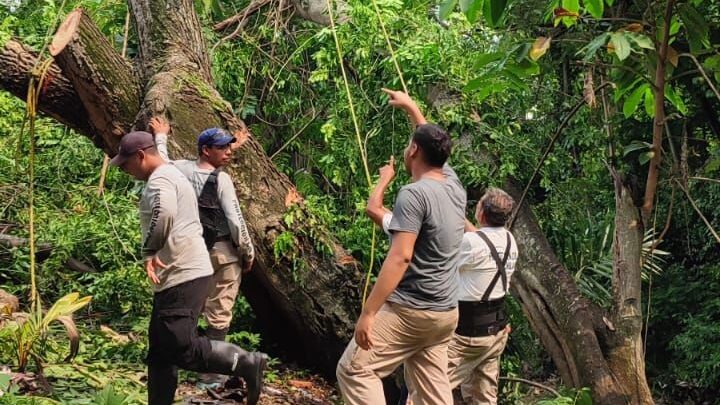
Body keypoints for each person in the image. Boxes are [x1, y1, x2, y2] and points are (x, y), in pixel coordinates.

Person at [110, 131, 267, 405]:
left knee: (181, 346)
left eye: (126, 164)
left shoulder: (160, 178)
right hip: (177, 273)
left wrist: (150, 249)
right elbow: (169, 162)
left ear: (140, 156)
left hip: (184, 272)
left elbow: (165, 213)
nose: (125, 169)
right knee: (160, 351)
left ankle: (245, 363)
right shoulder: (171, 171)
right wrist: (161, 137)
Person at [336, 89, 467, 405]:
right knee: (433, 391)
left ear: (413, 151)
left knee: (354, 370)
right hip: (446, 313)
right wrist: (413, 109)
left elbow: (401, 255)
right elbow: (431, 143)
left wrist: (369, 312)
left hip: (413, 310)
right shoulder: (454, 185)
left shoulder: (414, 193)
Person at [148, 117, 255, 387]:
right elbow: (235, 219)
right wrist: (248, 252)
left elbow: (163, 162)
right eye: (223, 148)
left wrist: (161, 136)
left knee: (192, 311)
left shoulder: (180, 170)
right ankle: (210, 376)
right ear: (206, 150)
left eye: (230, 148)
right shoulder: (223, 180)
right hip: (223, 252)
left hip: (194, 253)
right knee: (219, 312)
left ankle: (186, 364)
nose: (229, 152)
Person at [447, 188, 517, 404]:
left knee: (428, 390)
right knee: (483, 397)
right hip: (494, 335)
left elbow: (442, 261)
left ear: (482, 214)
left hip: (466, 337)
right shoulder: (508, 239)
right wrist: (458, 215)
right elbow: (479, 239)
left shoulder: (471, 244)